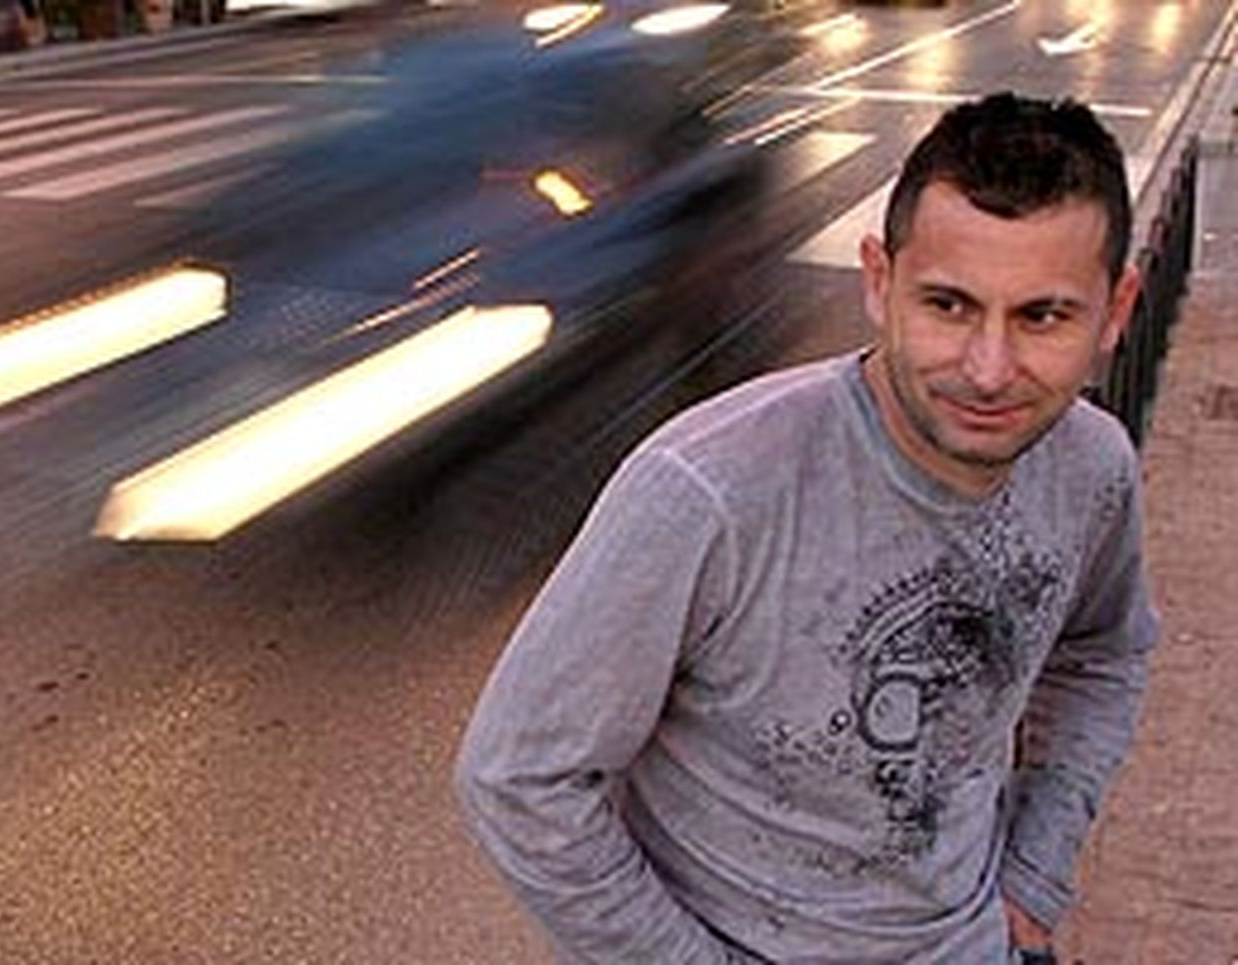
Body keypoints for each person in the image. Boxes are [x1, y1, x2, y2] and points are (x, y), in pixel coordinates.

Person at [453, 91, 1159, 963]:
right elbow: (521, 776)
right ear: (879, 282)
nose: (988, 368)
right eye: (948, 305)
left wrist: (1034, 877)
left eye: (1042, 316)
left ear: (1116, 311)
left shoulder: (1092, 466)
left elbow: (1105, 653)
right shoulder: (710, 489)